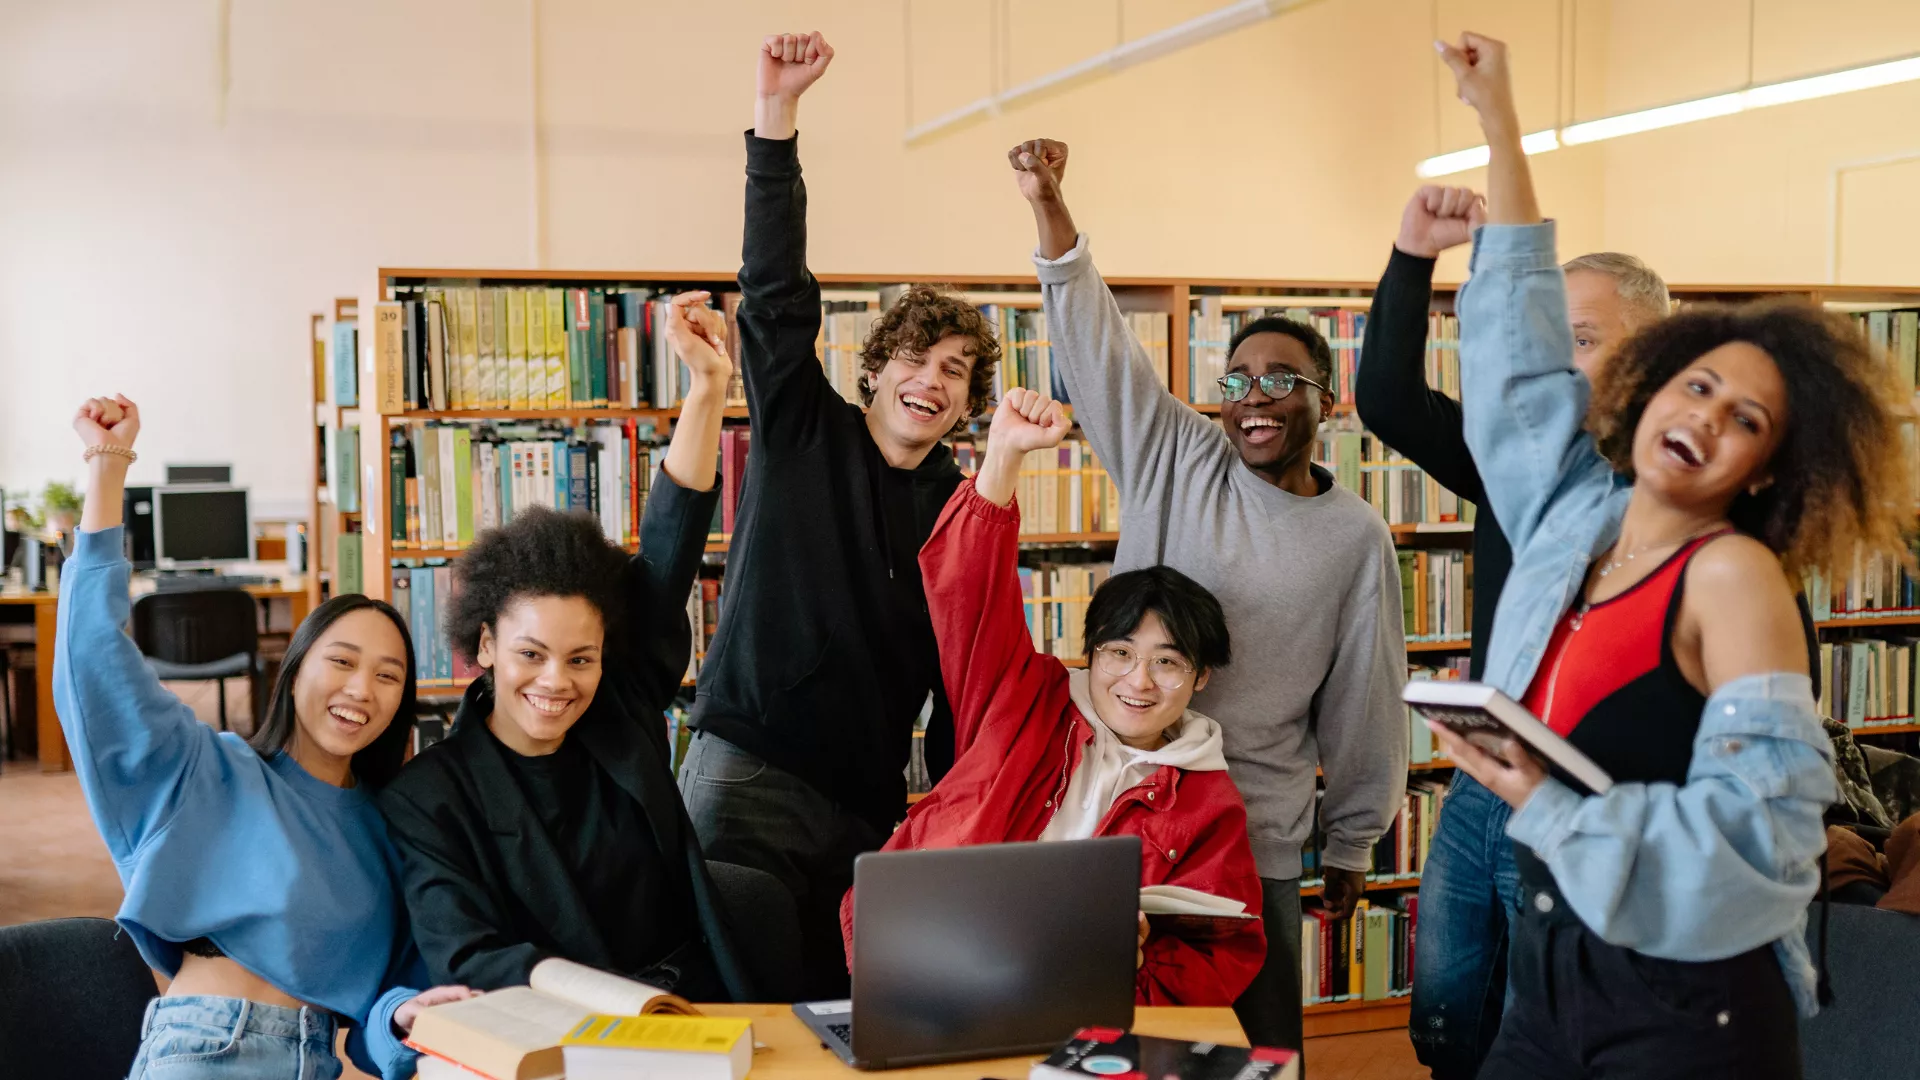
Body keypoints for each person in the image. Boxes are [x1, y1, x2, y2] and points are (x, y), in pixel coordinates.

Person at [1430, 32, 1912, 1079]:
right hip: (1555, 965)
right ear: (1648, 389)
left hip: (1683, 1003)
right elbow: (1517, 348)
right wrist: (1502, 123)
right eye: (1697, 385)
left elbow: (1767, 848)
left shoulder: (1733, 576)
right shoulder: (1572, 513)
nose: (1706, 416)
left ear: (1768, 470)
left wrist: (1544, 801)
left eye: (1747, 418)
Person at [1010, 140, 1408, 1052]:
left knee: (1253, 1055)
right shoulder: (1176, 456)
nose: (1254, 398)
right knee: (1097, 1049)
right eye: (1236, 380)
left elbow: (1365, 695)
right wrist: (1050, 207)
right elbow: (1097, 346)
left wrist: (1350, 842)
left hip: (1251, 834)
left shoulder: (1355, 537)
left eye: (1280, 379)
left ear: (1327, 399)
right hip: (1125, 812)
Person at [676, 30, 1003, 999]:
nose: (931, 381)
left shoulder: (959, 507)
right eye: (916, 359)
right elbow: (774, 292)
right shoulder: (802, 427)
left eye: (955, 372)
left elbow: (965, 673)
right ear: (875, 369)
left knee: (840, 1020)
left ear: (966, 402)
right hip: (746, 776)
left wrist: (948, 814)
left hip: (868, 808)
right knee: (722, 1009)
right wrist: (776, 120)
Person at [55, 394, 472, 1080]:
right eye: (340, 661)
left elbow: (383, 1012)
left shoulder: (391, 828)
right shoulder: (204, 771)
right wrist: (106, 467)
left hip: (316, 1064)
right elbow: (91, 660)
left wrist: (402, 1014)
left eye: (388, 675)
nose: (360, 690)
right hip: (205, 1048)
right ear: (295, 666)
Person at [1352, 190, 1670, 1075]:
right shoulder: (1513, 465)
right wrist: (1415, 251)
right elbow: (1385, 398)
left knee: (1545, 1032)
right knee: (1447, 1020)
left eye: (1584, 339)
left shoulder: (1689, 499)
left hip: (1587, 797)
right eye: (1546, 341)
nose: (1558, 366)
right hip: (1482, 787)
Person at [379, 293, 758, 1002]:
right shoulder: (428, 797)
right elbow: (464, 951)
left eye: (580, 658)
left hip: (699, 1006)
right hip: (553, 1026)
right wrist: (612, 996)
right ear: (485, 644)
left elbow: (670, 550)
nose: (556, 682)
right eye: (531, 654)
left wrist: (708, 390)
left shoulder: (621, 710)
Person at [840, 386, 1265, 1005]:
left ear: (1201, 677)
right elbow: (971, 591)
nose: (1138, 682)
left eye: (1167, 662)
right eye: (1119, 654)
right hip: (936, 967)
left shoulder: (1209, 799)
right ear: (1090, 652)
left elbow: (1221, 952)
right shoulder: (1021, 700)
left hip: (1082, 1005)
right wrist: (1005, 453)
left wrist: (1131, 973)